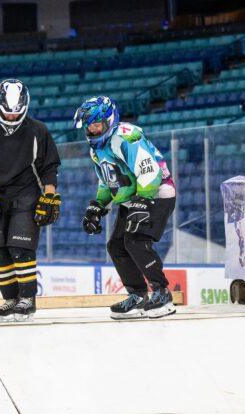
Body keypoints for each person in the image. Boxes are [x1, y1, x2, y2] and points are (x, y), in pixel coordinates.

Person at [74, 96, 176, 319]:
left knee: (136, 241)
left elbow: (150, 171)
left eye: (96, 125)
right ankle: (138, 296)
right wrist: (98, 205)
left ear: (109, 121)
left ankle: (162, 293)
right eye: (89, 126)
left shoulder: (126, 136)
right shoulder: (96, 150)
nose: (92, 130)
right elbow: (107, 181)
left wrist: (144, 200)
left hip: (157, 193)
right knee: (116, 246)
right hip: (133, 198)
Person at [0, 79, 61, 322]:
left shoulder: (38, 130)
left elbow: (50, 166)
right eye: (7, 114)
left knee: (20, 248)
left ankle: (27, 300)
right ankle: (10, 299)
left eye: (16, 114)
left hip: (26, 192)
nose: (11, 118)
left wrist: (49, 193)